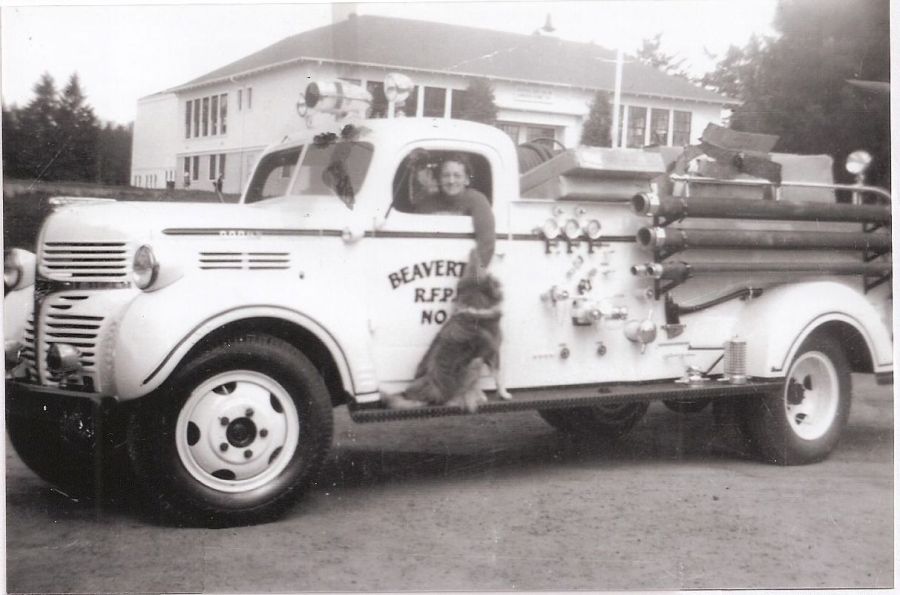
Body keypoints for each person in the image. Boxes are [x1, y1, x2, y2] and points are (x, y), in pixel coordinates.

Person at [412, 154, 495, 266]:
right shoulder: (427, 203)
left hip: (464, 270)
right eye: (446, 175)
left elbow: (487, 243)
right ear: (439, 179)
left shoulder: (477, 200)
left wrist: (472, 278)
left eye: (457, 176)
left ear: (466, 180)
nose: (451, 181)